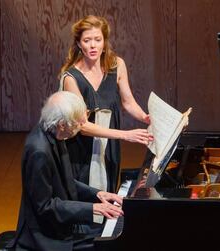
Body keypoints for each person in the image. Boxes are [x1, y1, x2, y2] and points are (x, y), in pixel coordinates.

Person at [8, 91, 124, 251]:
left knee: (108, 235)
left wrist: (97, 194)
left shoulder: (56, 134)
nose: (82, 125)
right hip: (45, 237)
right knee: (108, 246)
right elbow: (45, 207)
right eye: (79, 123)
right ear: (62, 124)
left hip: (63, 225)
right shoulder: (39, 151)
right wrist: (93, 208)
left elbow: (65, 180)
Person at [59, 15, 153, 193]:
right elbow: (82, 126)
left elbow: (128, 102)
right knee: (86, 198)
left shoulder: (117, 65)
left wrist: (145, 117)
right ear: (79, 44)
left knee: (109, 192)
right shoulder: (71, 78)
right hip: (81, 150)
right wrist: (125, 135)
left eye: (97, 39)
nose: (93, 45)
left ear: (104, 42)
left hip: (109, 146)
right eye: (87, 40)